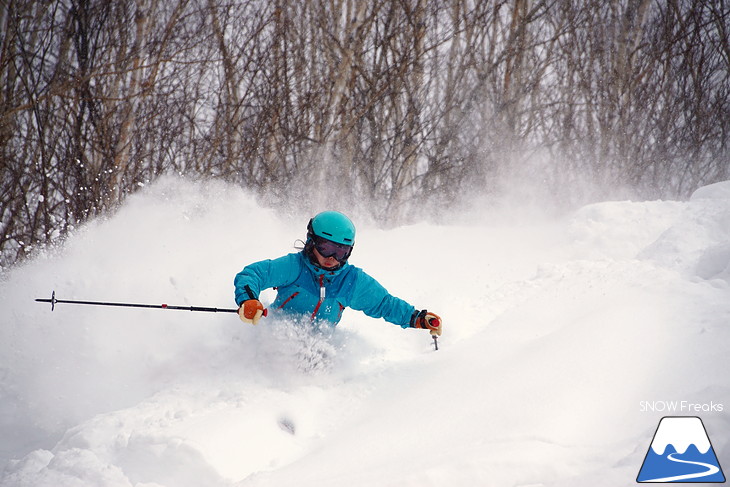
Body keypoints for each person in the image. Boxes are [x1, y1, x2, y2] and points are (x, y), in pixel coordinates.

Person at [233, 211, 442, 336]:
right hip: (274, 337)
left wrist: (417, 318)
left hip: (319, 347)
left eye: (341, 251)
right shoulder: (294, 267)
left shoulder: (351, 280)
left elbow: (384, 304)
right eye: (326, 247)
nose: (333, 257)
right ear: (311, 242)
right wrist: (249, 300)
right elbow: (252, 275)